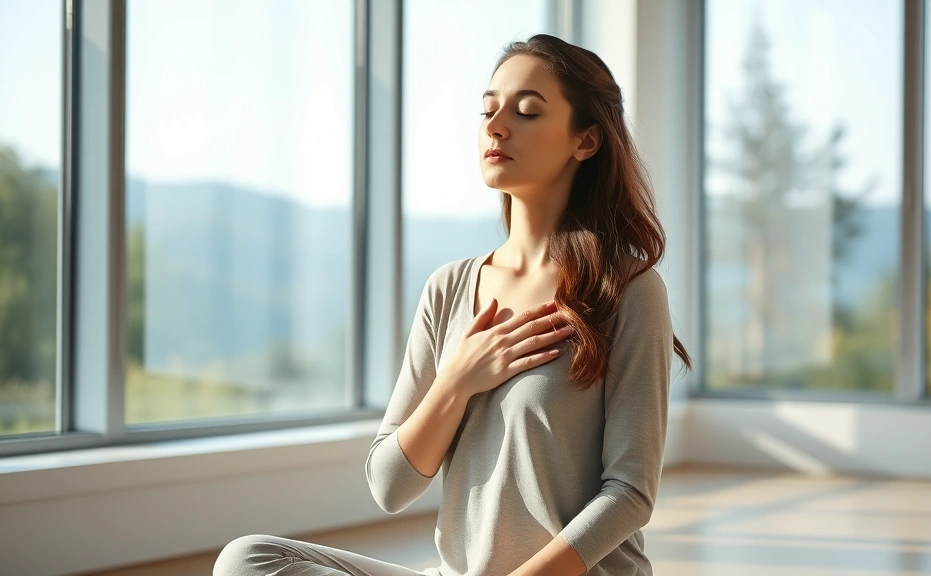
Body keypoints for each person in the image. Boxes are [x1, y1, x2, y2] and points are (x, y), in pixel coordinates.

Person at [212, 32, 693, 576]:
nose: (496, 125)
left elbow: (629, 493)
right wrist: (456, 381)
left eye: (528, 111)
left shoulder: (628, 289)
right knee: (249, 560)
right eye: (488, 110)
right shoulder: (448, 289)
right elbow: (389, 486)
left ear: (585, 141)